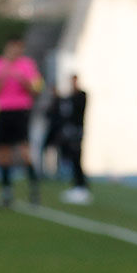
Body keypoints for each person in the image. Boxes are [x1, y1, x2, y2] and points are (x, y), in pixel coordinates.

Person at [0, 38, 43, 206]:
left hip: (21, 110)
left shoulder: (28, 65)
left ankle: (34, 189)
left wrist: (22, 80)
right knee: (3, 153)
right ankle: (6, 191)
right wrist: (4, 76)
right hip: (3, 110)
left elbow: (35, 90)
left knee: (24, 151)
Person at [56, 75, 90, 204]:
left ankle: (82, 186)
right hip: (69, 131)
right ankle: (77, 185)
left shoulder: (81, 95)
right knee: (72, 158)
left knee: (77, 157)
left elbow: (77, 110)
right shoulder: (69, 97)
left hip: (77, 130)